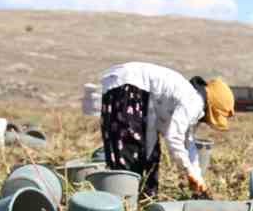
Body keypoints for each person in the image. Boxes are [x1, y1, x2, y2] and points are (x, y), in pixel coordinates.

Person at [99, 63, 233, 197]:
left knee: (149, 157)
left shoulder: (191, 101)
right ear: (211, 106)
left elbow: (188, 143)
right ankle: (123, 202)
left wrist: (197, 177)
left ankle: (142, 202)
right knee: (130, 152)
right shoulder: (194, 102)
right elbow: (174, 137)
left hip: (135, 92)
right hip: (129, 86)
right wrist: (188, 171)